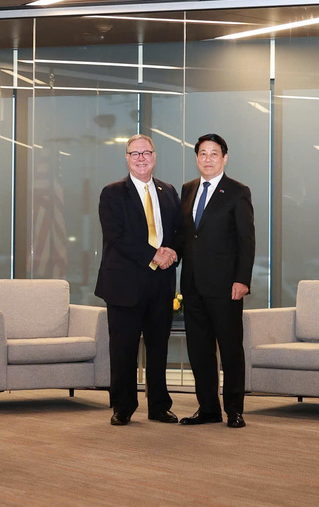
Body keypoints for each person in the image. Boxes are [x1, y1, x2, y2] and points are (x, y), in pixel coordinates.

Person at [95, 134, 181, 426]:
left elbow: (177, 233)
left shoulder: (168, 191)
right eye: (135, 153)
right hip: (123, 285)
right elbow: (116, 237)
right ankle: (123, 406)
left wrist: (172, 252)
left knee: (159, 348)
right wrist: (154, 254)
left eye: (146, 152)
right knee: (123, 349)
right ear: (127, 158)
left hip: (161, 284)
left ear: (155, 156)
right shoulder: (112, 192)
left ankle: (159, 406)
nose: (141, 158)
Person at [178, 133, 255, 429]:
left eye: (213, 154)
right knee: (199, 351)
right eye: (202, 154)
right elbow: (185, 235)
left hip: (226, 287)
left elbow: (246, 241)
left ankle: (234, 410)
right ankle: (208, 408)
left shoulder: (237, 191)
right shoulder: (188, 190)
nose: (207, 159)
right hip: (193, 286)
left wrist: (242, 280)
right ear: (196, 158)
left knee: (231, 349)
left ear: (224, 158)